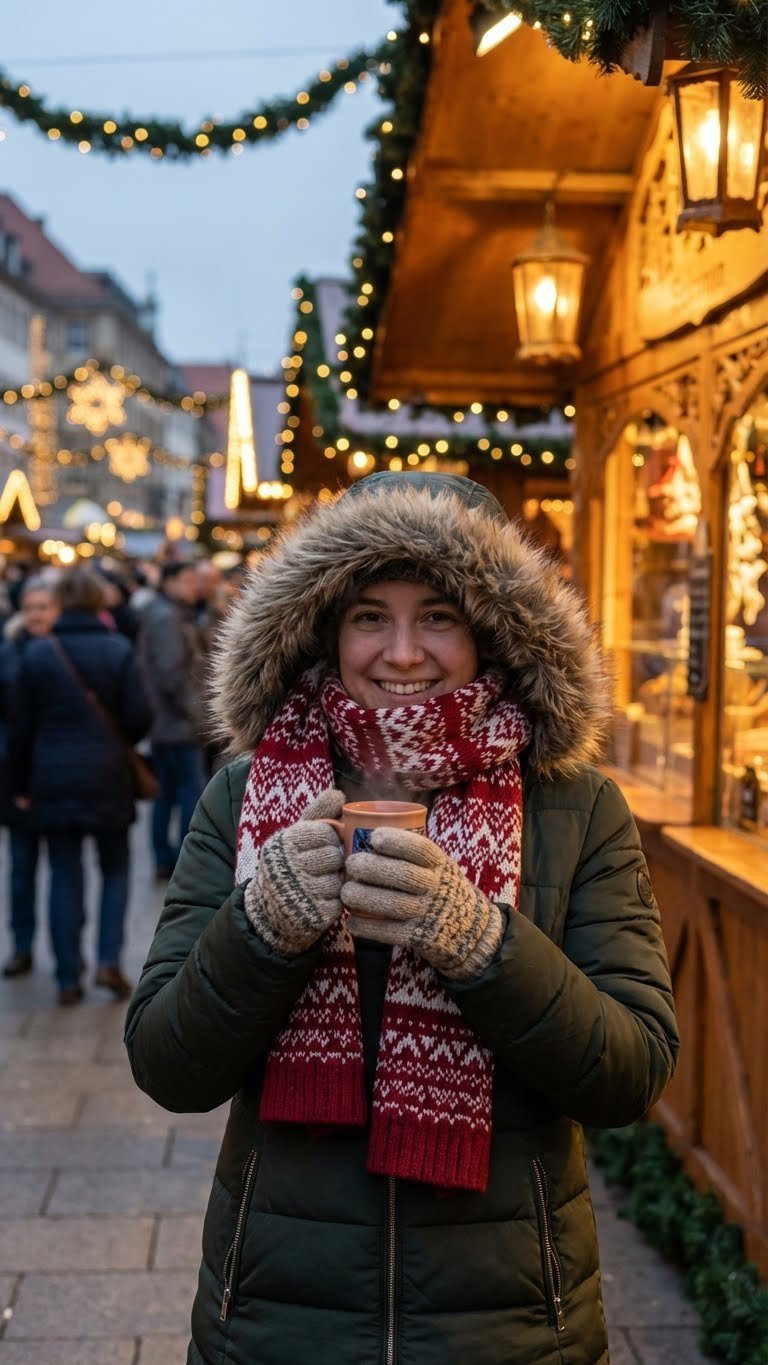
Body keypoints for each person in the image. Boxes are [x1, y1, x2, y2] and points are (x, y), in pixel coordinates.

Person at [125, 473, 679, 1365]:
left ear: (496, 631)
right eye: (370, 614)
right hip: (275, 1319)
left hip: (511, 1328)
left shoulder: (575, 807)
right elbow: (166, 1061)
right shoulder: (246, 793)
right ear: (325, 628)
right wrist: (262, 927)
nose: (403, 651)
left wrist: (482, 942)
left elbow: (631, 1071)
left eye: (440, 616)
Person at [9, 570, 151, 1005]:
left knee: (63, 872)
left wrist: (20, 782)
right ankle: (109, 958)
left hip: (51, 775)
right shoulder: (117, 649)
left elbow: (19, 728)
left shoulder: (37, 653)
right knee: (115, 869)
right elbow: (139, 715)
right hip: (107, 774)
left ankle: (67, 975)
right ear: (98, 601)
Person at [0, 575, 59, 977]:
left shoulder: (63, 651)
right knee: (21, 869)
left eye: (44, 607)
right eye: (31, 607)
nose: (36, 614)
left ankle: (64, 957)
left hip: (57, 776)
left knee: (62, 869)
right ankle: (22, 945)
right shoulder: (9, 651)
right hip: (15, 774)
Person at [135, 560, 208, 879]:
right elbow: (171, 676)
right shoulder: (166, 618)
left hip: (167, 724)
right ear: (170, 583)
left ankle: (166, 859)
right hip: (177, 726)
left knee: (166, 795)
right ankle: (180, 862)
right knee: (186, 795)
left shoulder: (164, 613)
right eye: (189, 580)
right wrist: (197, 716)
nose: (194, 587)